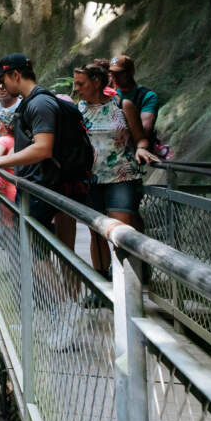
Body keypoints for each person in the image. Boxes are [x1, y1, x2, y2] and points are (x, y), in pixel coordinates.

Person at [0, 53, 93, 248]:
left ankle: (59, 280)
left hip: (45, 186)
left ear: (15, 75)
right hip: (44, 184)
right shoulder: (29, 103)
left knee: (34, 249)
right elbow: (26, 143)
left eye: (3, 80)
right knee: (58, 252)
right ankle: (64, 280)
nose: (2, 86)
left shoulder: (40, 104)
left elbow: (42, 148)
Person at [74, 60, 149, 280]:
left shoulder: (122, 106)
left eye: (81, 84)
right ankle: (101, 281)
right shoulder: (77, 110)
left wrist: (141, 151)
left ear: (96, 82)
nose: (76, 89)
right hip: (91, 178)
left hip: (122, 175)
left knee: (120, 230)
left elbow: (140, 139)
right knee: (96, 232)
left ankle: (126, 281)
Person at [108, 55, 160, 167]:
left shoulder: (147, 96)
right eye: (112, 74)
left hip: (136, 150)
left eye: (118, 74)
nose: (114, 78)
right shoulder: (108, 94)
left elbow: (145, 130)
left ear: (129, 73)